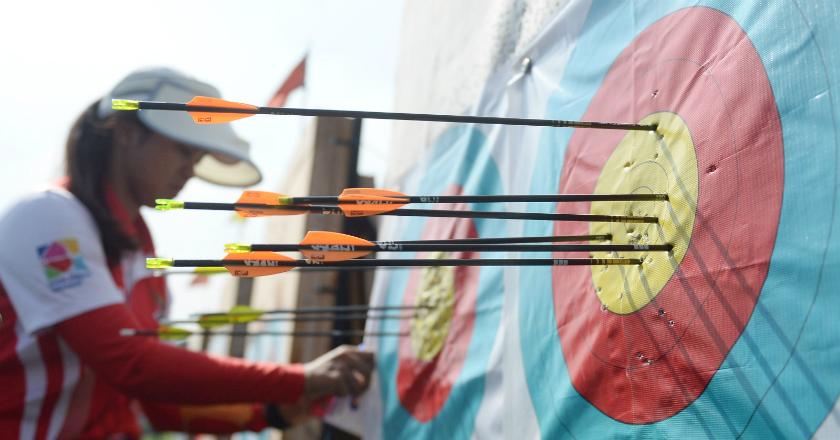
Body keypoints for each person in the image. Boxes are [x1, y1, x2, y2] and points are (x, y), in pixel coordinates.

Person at [0, 68, 374, 438]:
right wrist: (299, 379)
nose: (189, 171)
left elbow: (157, 404)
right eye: (182, 150)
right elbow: (131, 365)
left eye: (197, 158)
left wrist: (275, 411)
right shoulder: (47, 215)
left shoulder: (141, 258)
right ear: (127, 132)